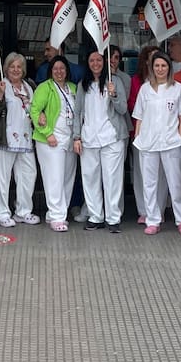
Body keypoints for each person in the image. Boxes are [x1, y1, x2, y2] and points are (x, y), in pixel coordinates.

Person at [131, 51, 181, 237]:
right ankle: (153, 220)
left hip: (170, 142)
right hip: (148, 143)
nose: (160, 69)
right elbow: (139, 116)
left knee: (176, 183)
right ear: (152, 68)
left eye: (163, 66)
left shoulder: (178, 89)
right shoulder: (145, 89)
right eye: (157, 66)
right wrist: (139, 138)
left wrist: (179, 136)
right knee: (149, 184)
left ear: (169, 68)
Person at [72, 50, 128, 233]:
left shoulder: (115, 81)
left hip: (111, 138)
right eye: (92, 60)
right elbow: (77, 112)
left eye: (98, 60)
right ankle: (96, 216)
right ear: (87, 63)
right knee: (90, 179)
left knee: (112, 180)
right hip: (89, 139)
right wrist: (77, 137)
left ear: (104, 62)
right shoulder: (83, 85)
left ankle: (113, 218)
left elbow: (122, 109)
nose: (95, 63)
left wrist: (114, 95)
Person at [0, 52, 39, 228]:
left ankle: (23, 211)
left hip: (25, 140)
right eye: (12, 66)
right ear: (6, 68)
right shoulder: (0, 85)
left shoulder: (29, 86)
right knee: (2, 178)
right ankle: (1, 213)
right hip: (5, 139)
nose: (16, 70)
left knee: (28, 174)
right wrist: (0, 95)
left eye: (19, 66)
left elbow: (34, 109)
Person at [31, 55, 78, 232]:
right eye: (55, 68)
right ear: (51, 71)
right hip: (50, 140)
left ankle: (58, 213)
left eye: (62, 68)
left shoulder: (73, 88)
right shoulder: (45, 87)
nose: (59, 72)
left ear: (67, 71)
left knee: (67, 177)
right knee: (54, 178)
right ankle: (57, 216)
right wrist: (47, 133)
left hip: (68, 139)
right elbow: (34, 110)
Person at [127, 44, 165, 224]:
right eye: (150, 58)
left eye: (157, 57)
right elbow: (132, 105)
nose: (154, 62)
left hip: (164, 135)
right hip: (142, 133)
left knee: (162, 175)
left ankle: (160, 209)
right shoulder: (137, 81)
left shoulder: (169, 82)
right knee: (141, 174)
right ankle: (144, 210)